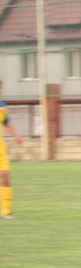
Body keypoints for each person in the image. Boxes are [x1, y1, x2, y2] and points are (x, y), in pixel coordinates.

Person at [0, 80, 23, 220]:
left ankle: (6, 211)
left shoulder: (3, 106)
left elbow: (6, 124)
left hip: (0, 146)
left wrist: (16, 135)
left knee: (5, 177)